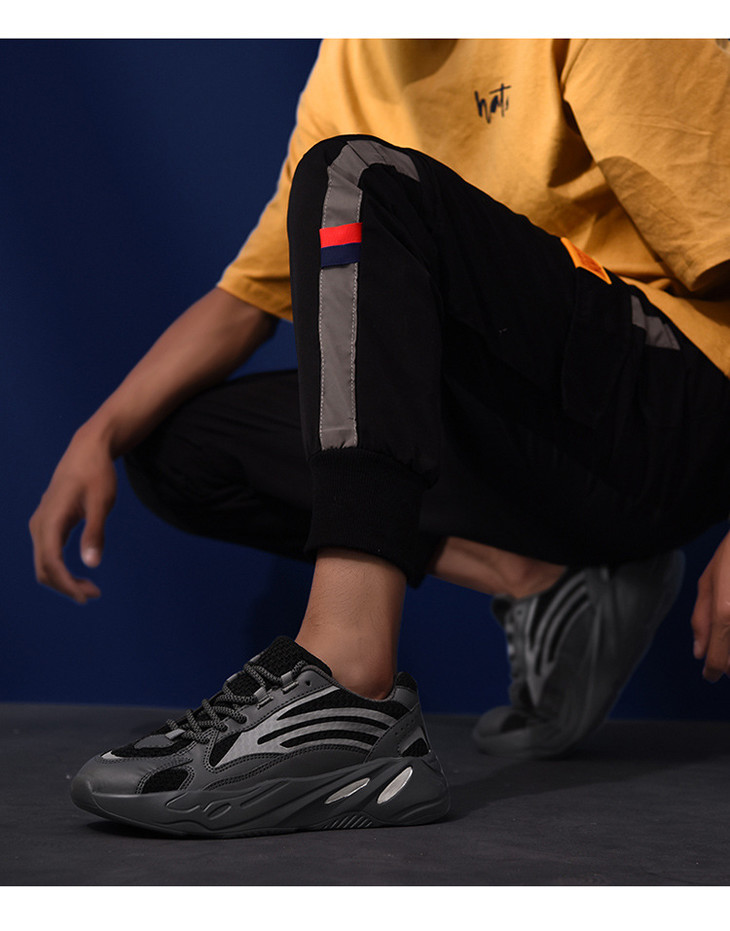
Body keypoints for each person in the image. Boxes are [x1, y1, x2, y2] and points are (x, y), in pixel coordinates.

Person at [29, 39, 730, 837]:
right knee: (177, 445)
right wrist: (98, 433)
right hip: (543, 446)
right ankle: (544, 579)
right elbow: (246, 300)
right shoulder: (355, 52)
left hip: (671, 419)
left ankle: (348, 687)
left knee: (359, 178)